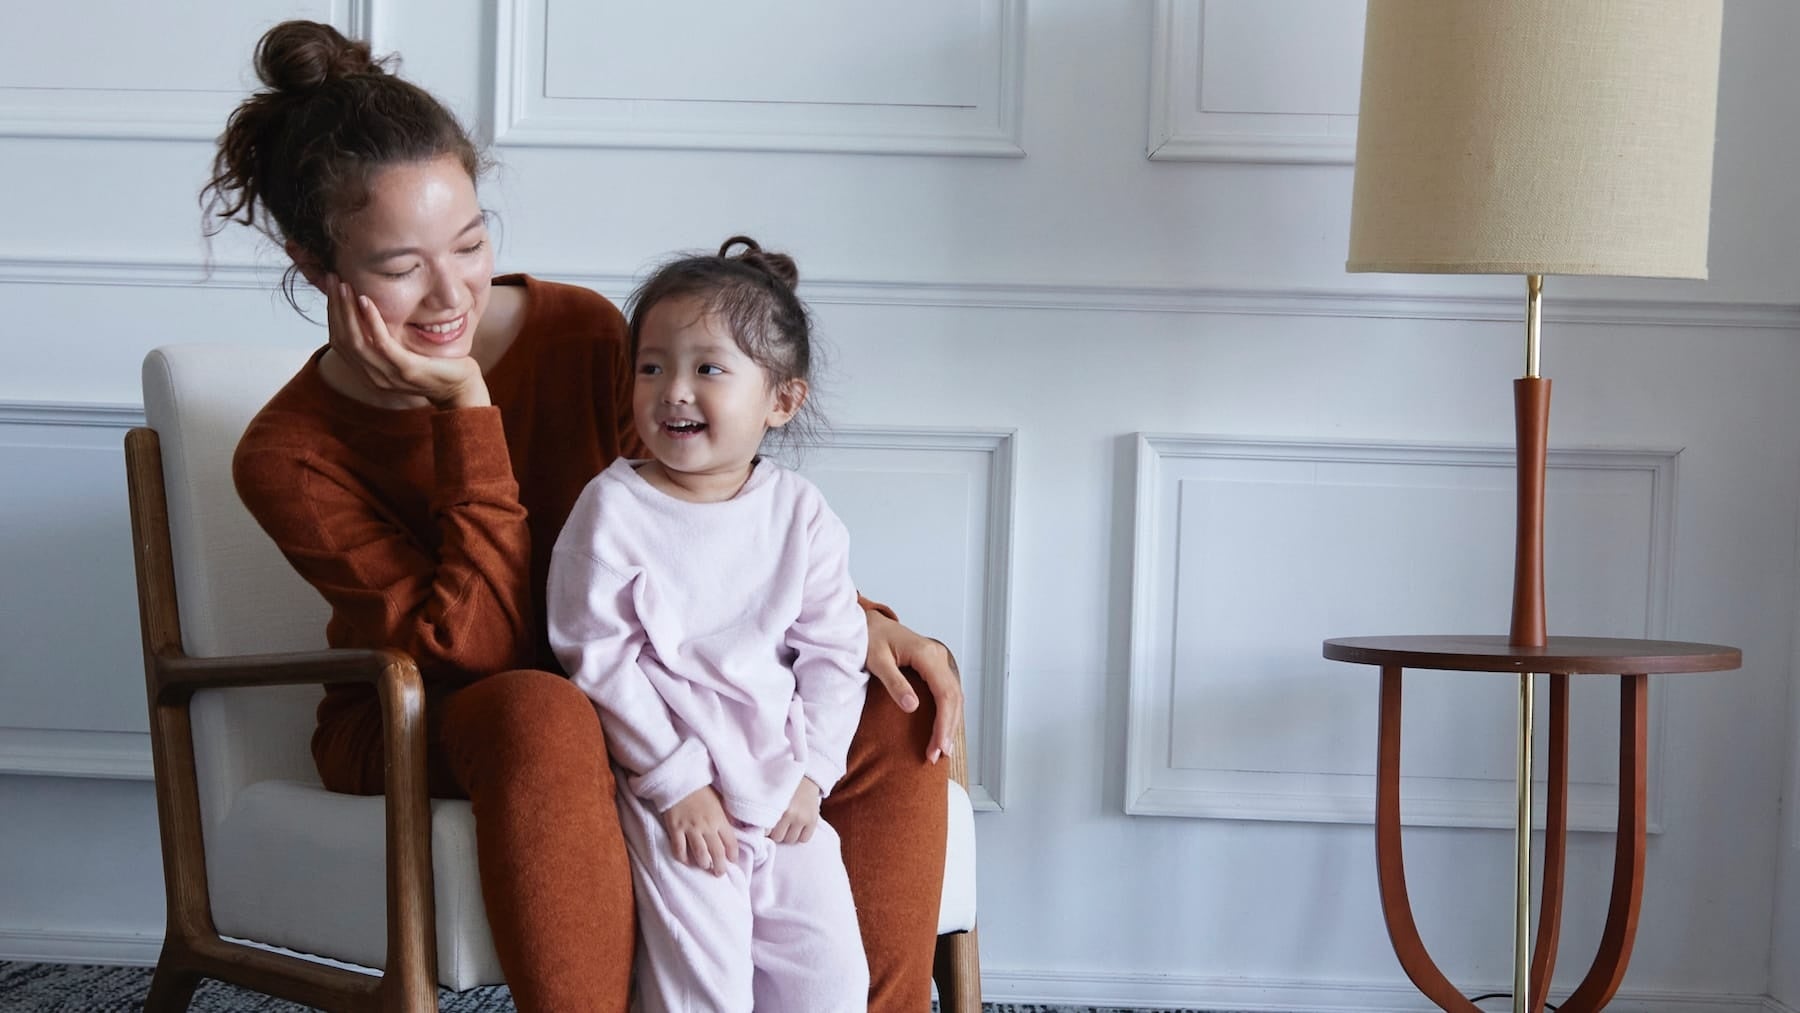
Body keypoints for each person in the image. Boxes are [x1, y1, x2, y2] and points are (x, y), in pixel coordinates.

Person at [209, 20, 962, 1013]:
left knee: (892, 698)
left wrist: (855, 618)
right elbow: (482, 649)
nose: (452, 292)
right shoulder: (288, 454)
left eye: (471, 243)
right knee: (544, 708)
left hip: (639, 678)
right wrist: (464, 409)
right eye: (400, 266)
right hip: (434, 715)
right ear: (318, 268)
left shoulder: (578, 330)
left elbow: (685, 507)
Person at [548, 236, 871, 1011]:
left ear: (781, 401)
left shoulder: (800, 514)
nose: (673, 392)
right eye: (652, 368)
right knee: (705, 986)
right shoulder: (612, 508)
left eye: (707, 369)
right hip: (680, 800)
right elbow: (596, 658)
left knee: (832, 982)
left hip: (784, 793)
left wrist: (813, 773)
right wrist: (676, 782)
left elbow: (835, 652)